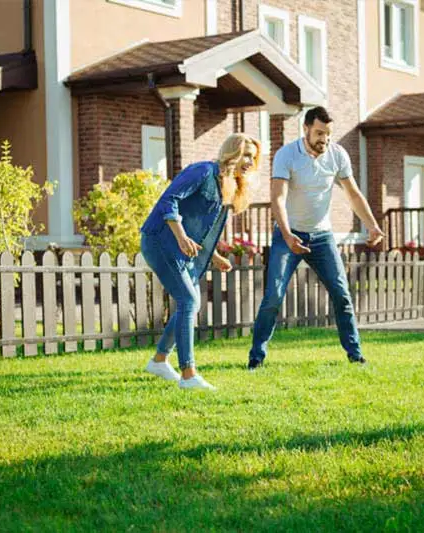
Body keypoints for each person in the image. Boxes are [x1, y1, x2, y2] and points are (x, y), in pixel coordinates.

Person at [248, 106, 385, 370]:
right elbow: (277, 198)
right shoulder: (286, 155)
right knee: (274, 296)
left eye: (329, 135)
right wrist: (287, 235)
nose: (324, 139)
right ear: (306, 129)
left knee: (342, 294)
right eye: (320, 133)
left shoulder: (337, 155)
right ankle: (256, 357)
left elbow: (354, 194)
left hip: (322, 236)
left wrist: (373, 226)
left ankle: (355, 355)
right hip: (288, 234)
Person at [140, 133, 261, 390]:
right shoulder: (202, 171)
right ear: (233, 153)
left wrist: (214, 256)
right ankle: (188, 374)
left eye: (253, 156)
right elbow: (168, 201)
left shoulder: (226, 185)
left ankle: (160, 360)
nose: (250, 161)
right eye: (246, 154)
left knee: (191, 304)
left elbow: (202, 228)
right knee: (189, 300)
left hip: (180, 245)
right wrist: (181, 236)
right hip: (159, 240)